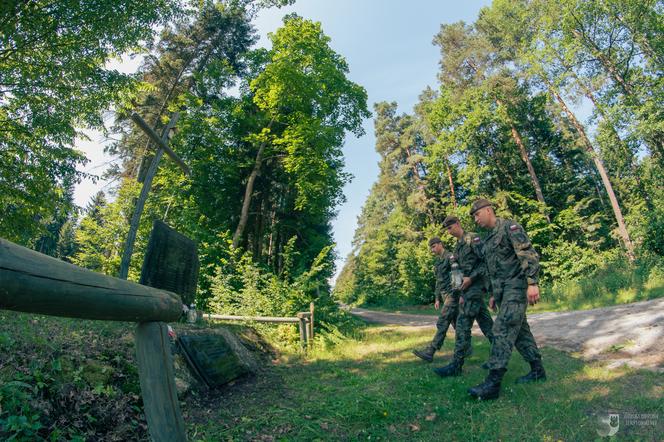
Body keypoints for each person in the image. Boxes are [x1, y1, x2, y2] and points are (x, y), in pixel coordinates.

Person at [467, 198, 546, 400]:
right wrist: (493, 294)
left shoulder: (509, 227)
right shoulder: (489, 238)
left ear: (488, 210)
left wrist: (532, 282)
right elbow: (494, 270)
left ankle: (493, 383)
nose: (475, 220)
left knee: (501, 329)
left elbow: (526, 252)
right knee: (520, 333)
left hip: (517, 287)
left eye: (477, 214)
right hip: (503, 292)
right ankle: (538, 370)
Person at [433, 215, 494, 377]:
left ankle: (456, 365)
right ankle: (498, 357)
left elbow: (485, 261)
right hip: (466, 291)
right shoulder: (458, 246)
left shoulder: (472, 238)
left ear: (458, 224)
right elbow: (458, 273)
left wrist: (472, 278)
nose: (448, 231)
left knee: (462, 325)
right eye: (446, 229)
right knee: (488, 326)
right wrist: (459, 292)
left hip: (475, 289)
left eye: (450, 227)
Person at [412, 237, 459, 363]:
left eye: (433, 247)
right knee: (456, 323)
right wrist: (437, 298)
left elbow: (456, 275)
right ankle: (466, 347)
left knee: (443, 321)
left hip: (452, 295)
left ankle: (430, 351)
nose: (432, 250)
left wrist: (456, 294)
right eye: (431, 247)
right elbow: (438, 281)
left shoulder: (450, 257)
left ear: (440, 244)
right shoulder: (438, 262)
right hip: (444, 296)